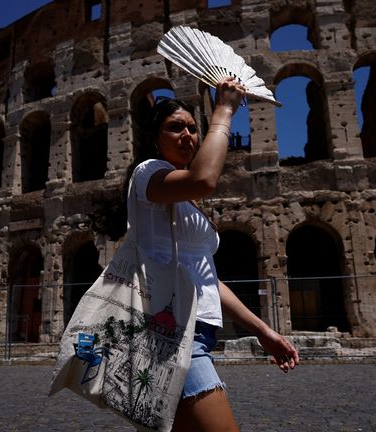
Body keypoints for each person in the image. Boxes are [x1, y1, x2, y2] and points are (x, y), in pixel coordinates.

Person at [127, 77, 300, 432]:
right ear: (153, 137)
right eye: (175, 127)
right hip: (171, 331)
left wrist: (263, 331)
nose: (187, 135)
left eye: (193, 128)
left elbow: (207, 279)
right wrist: (224, 109)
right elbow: (205, 178)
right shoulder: (148, 174)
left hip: (199, 330)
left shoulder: (181, 198)